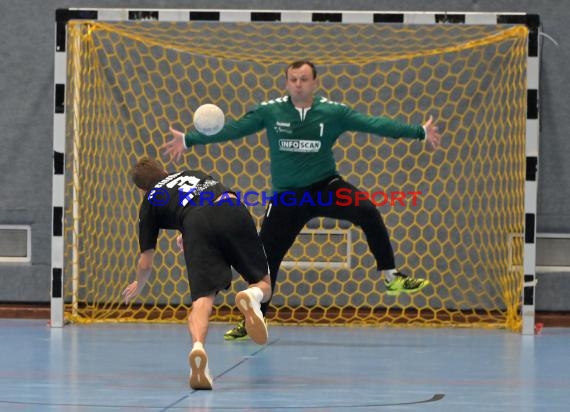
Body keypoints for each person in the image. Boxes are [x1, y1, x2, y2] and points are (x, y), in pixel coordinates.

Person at [162, 60, 442, 341]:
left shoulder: (332, 112)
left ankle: (391, 276)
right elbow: (234, 129)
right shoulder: (270, 112)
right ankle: (252, 321)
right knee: (265, 261)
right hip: (288, 197)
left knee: (367, 210)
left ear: (314, 83)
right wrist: (189, 139)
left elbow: (374, 124)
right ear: (286, 83)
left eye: (304, 79)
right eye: (293, 79)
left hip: (325, 187)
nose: (298, 84)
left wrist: (419, 131)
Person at [122, 157, 272, 389]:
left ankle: (198, 349)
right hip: (229, 206)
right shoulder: (190, 172)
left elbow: (145, 262)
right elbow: (200, 199)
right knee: (263, 283)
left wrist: (138, 285)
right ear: (163, 171)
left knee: (202, 301)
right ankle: (252, 296)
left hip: (195, 223)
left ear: (142, 189)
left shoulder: (149, 202)